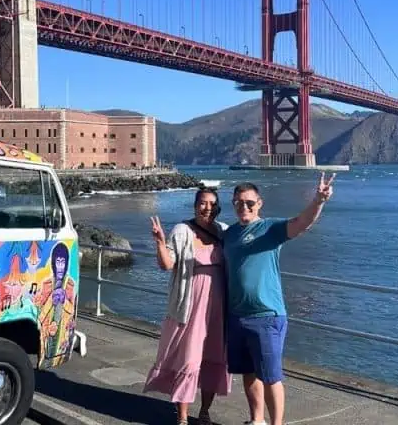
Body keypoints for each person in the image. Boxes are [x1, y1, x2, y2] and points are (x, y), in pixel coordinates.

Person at [224, 174, 335, 425]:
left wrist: (318, 201)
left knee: (271, 376)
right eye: (239, 203)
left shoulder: (270, 229)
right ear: (233, 204)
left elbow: (301, 223)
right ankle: (257, 420)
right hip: (237, 315)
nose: (245, 207)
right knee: (248, 373)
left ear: (259, 203)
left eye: (250, 203)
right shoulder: (228, 234)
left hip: (266, 316)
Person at [143, 186, 232, 425]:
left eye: (212, 204)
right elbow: (167, 264)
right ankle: (182, 417)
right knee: (189, 360)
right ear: (195, 205)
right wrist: (160, 243)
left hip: (218, 309)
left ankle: (204, 412)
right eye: (203, 203)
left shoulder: (223, 231)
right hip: (190, 307)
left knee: (214, 359)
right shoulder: (182, 230)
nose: (207, 208)